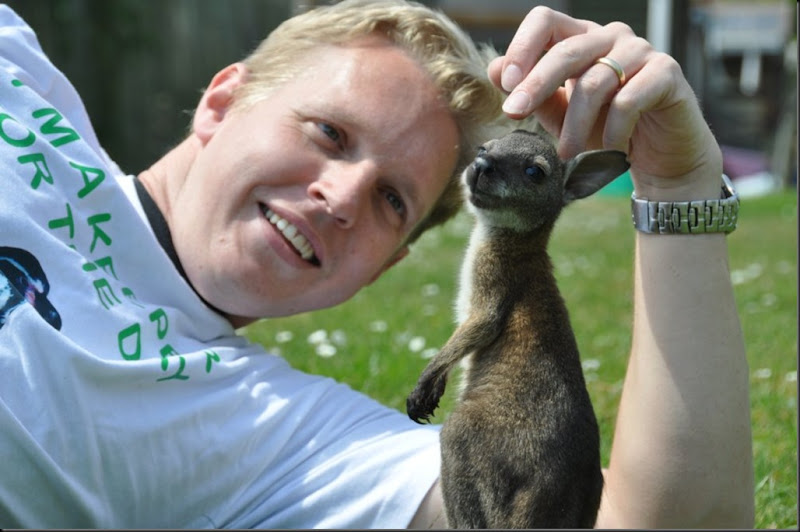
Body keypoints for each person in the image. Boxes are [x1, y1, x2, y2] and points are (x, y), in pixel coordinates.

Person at [0, 0, 754, 528]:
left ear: (385, 267)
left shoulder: (279, 435)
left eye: (393, 201)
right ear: (224, 100)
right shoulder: (21, 76)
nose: (341, 195)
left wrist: (678, 186)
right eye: (329, 132)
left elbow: (664, 523)